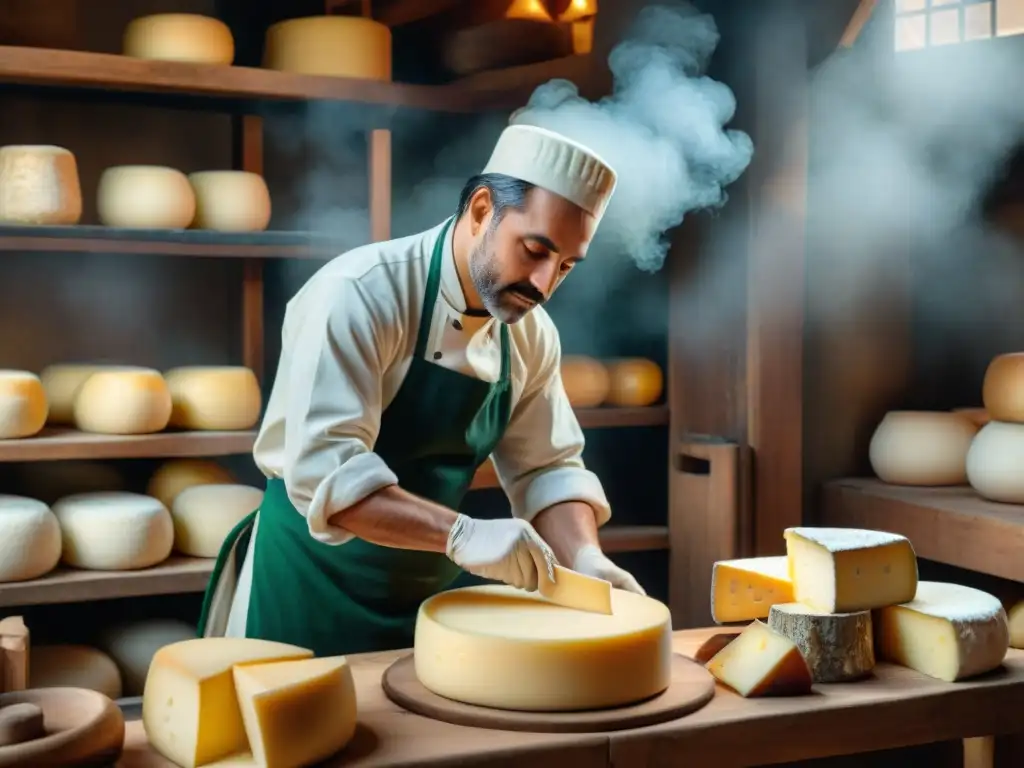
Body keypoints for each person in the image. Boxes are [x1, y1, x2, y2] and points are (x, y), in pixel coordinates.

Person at [198, 124, 645, 656]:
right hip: (307, 586)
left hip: (425, 600)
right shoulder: (360, 294)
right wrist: (464, 535)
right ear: (482, 211)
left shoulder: (529, 335)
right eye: (533, 250)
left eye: (566, 266)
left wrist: (586, 558)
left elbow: (547, 467)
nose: (544, 285)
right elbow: (327, 475)